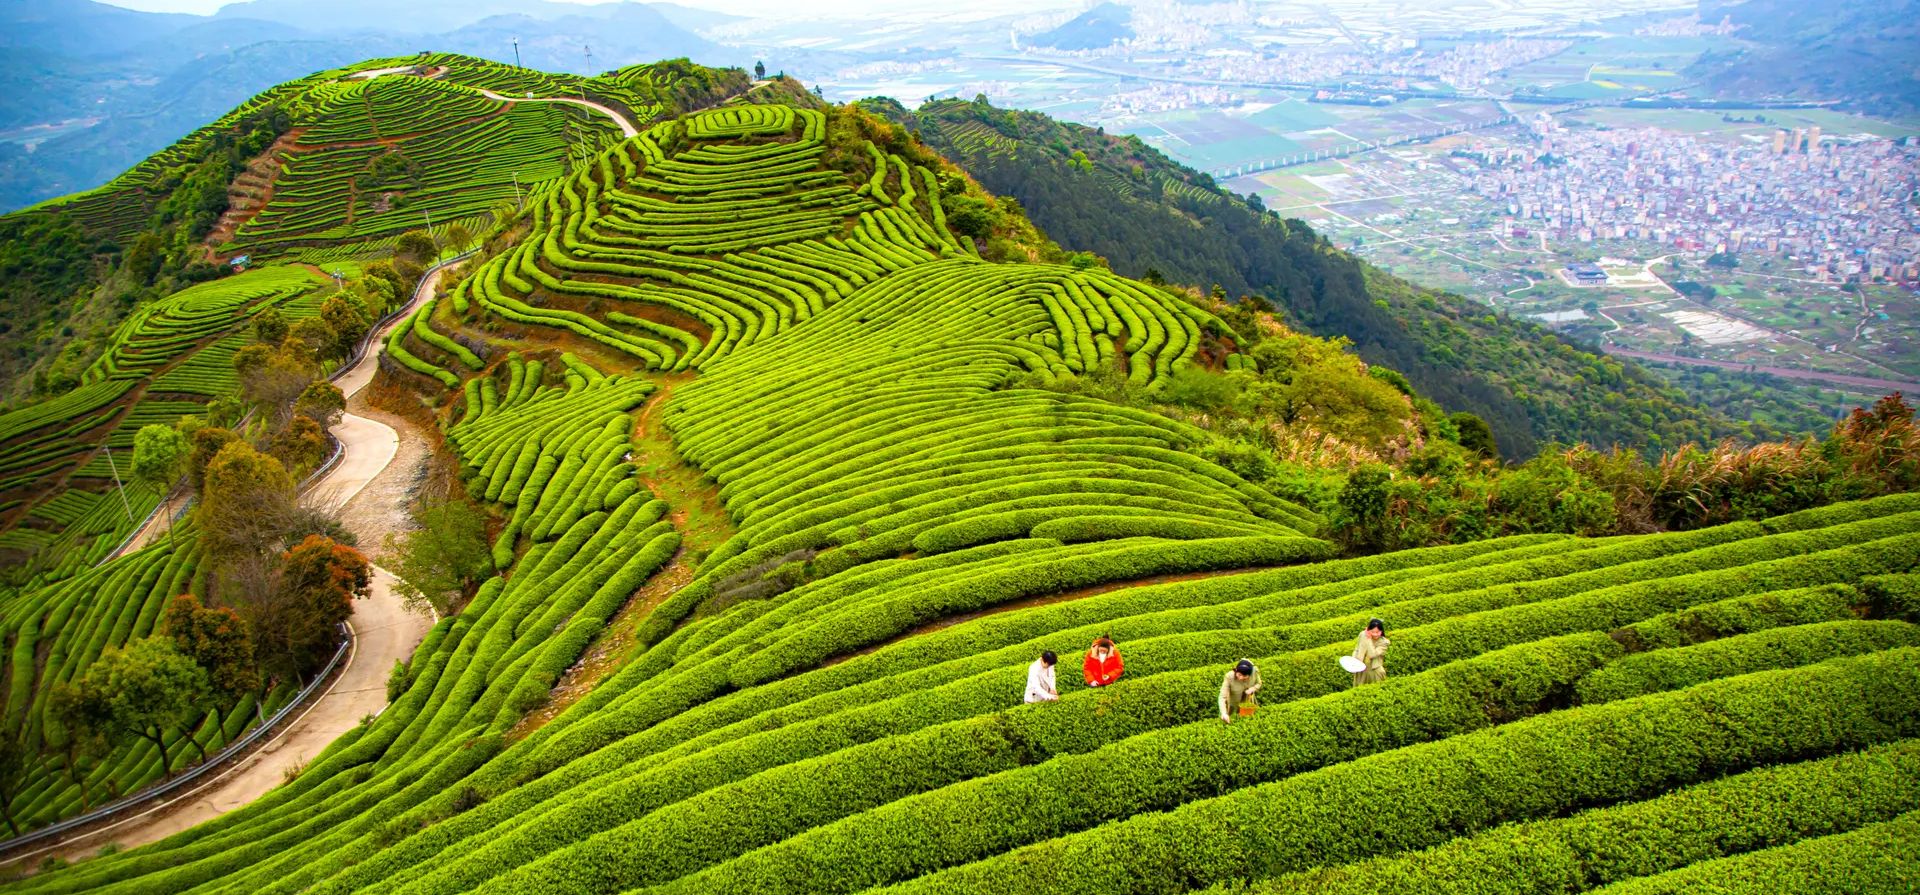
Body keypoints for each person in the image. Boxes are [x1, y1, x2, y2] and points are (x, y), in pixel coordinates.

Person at [1219, 659, 1261, 723]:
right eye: (1239, 674)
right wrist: (1224, 713)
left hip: (1246, 703)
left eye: (1244, 676)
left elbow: (1259, 683)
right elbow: (1222, 697)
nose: (1240, 678)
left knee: (1245, 720)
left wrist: (1252, 689)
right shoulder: (1229, 677)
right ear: (1236, 671)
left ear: (1249, 675)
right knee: (1229, 720)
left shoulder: (1254, 673)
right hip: (1232, 704)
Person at [1352, 618, 1389, 687]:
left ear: (1382, 631)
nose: (1375, 634)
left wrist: (1368, 639)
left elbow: (1372, 654)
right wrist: (1353, 660)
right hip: (1360, 668)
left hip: (1374, 670)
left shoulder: (1384, 642)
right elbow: (1357, 649)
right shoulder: (1362, 635)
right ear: (1368, 630)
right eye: (1373, 632)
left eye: (1378, 632)